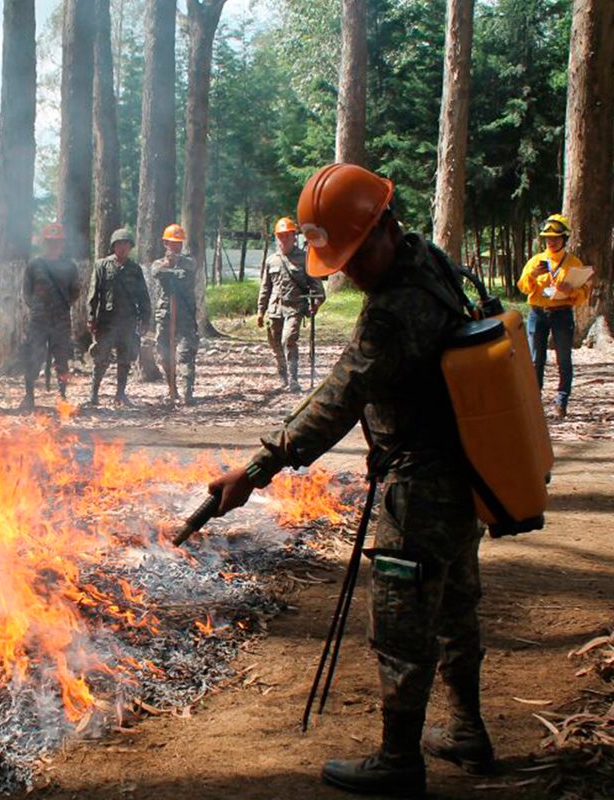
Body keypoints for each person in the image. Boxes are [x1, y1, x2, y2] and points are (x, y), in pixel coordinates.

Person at [209, 163, 493, 797]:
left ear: (384, 226)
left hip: (417, 483)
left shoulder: (394, 311)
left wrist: (256, 470)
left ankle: (399, 760)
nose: (350, 270)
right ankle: (468, 731)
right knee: (453, 604)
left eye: (357, 255)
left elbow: (338, 399)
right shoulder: (432, 260)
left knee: (400, 619)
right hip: (461, 469)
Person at [516, 214, 590, 419]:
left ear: (564, 238)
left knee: (563, 360)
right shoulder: (536, 261)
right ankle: (534, 402)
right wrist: (532, 275)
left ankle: (561, 402)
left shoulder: (574, 263)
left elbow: (584, 291)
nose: (551, 240)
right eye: (548, 237)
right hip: (537, 314)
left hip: (562, 315)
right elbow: (522, 286)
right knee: (535, 360)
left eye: (556, 237)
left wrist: (570, 291)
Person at [257, 216, 324, 392]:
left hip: (295, 308)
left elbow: (317, 287)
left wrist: (316, 303)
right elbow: (265, 288)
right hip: (275, 310)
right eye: (280, 236)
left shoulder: (305, 259)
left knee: (288, 340)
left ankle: (293, 380)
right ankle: (283, 378)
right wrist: (260, 311)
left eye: (287, 235)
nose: (284, 239)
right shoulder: (272, 260)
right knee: (275, 344)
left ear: (294, 237)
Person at [86, 228, 151, 407]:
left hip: (128, 322)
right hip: (106, 321)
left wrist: (145, 318)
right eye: (119, 244)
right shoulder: (102, 266)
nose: (122, 248)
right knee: (100, 358)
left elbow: (143, 296)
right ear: (113, 246)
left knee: (125, 359)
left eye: (126, 244)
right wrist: (91, 317)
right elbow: (94, 294)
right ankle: (93, 395)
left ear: (130, 247)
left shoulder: (135, 269)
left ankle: (120, 395)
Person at [20, 222, 81, 411]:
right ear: (44, 243)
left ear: (62, 244)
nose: (53, 245)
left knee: (62, 359)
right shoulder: (34, 265)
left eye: (57, 242)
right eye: (49, 242)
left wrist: (60, 308)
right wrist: (39, 308)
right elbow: (27, 293)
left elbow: (75, 292)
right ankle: (29, 396)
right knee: (34, 358)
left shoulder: (69, 267)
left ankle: (62, 396)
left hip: (61, 321)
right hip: (39, 321)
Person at [150, 223, 201, 405]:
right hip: (165, 315)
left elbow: (189, 268)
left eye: (178, 243)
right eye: (172, 243)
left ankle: (188, 393)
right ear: (165, 243)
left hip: (185, 316)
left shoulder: (189, 262)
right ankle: (172, 390)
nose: (176, 246)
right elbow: (155, 271)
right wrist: (167, 264)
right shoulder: (158, 263)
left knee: (185, 354)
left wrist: (174, 265)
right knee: (164, 353)